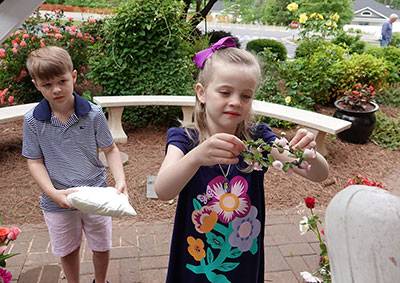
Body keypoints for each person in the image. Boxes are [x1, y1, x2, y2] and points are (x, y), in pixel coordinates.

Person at [154, 37, 329, 283]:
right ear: (202, 93)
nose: (236, 101)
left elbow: (318, 174)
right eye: (225, 92)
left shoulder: (258, 140)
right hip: (197, 258)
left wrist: (308, 153)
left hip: (243, 258)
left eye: (246, 96)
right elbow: (162, 190)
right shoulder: (185, 139)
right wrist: (196, 157)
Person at [22, 46, 127, 283]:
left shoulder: (93, 114)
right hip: (57, 200)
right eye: (47, 85)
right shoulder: (32, 121)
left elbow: (110, 149)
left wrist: (120, 181)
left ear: (74, 76)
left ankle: (100, 281)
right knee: (67, 249)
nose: (56, 89)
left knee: (101, 245)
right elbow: (34, 161)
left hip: (97, 194)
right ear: (36, 84)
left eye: (62, 80)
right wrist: (53, 193)